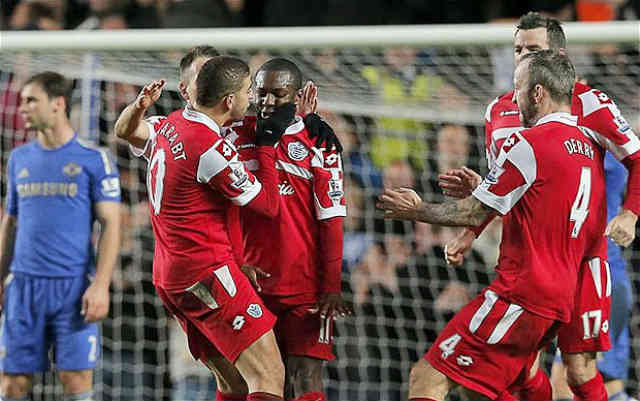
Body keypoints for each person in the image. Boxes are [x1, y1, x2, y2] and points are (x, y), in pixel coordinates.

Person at [377, 50, 607, 401]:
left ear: (538, 93)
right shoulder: (589, 150)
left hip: (521, 294)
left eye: (518, 89)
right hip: (560, 295)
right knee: (497, 387)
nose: (513, 99)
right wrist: (482, 189)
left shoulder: (528, 144)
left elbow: (471, 213)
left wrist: (418, 209)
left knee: (427, 378)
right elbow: (543, 210)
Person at [439, 11, 640, 401]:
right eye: (517, 49)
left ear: (559, 55)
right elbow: (498, 187)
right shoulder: (497, 111)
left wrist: (630, 213)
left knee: (577, 375)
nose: (522, 56)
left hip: (584, 267)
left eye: (533, 49)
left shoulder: (590, 103)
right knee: (521, 371)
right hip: (524, 268)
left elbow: (637, 156)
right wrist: (470, 232)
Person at [113, 56, 288, 401]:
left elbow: (124, 131)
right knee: (269, 375)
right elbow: (268, 205)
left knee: (234, 384)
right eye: (246, 91)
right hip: (206, 272)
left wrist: (137, 107)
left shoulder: (168, 125)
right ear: (228, 101)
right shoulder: (210, 148)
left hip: (171, 277)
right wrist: (267, 145)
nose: (250, 97)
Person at [225, 58, 350, 401]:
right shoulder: (235, 134)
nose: (266, 102)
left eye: (277, 94)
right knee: (249, 378)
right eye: (261, 93)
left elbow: (332, 218)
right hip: (251, 281)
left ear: (296, 97)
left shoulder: (319, 141)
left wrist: (331, 285)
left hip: (304, 287)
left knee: (305, 377)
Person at [0, 71, 121, 401]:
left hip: (73, 286)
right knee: (12, 382)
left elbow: (112, 224)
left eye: (30, 100)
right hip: (23, 286)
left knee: (75, 379)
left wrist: (101, 285)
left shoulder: (93, 159)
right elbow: (10, 223)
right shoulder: (19, 159)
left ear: (58, 104)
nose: (22, 108)